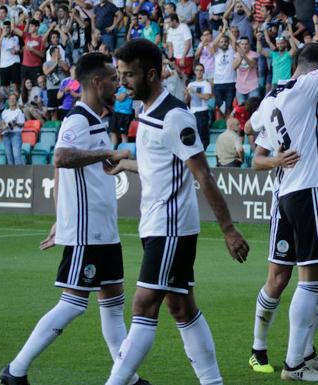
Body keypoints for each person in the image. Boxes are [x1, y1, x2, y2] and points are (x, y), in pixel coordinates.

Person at [104, 38, 249, 385]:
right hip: (157, 223)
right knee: (181, 306)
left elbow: (203, 173)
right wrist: (128, 164)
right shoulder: (148, 110)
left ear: (151, 74)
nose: (123, 82)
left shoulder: (174, 116)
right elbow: (163, 167)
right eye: (120, 74)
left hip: (169, 228)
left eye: (129, 75)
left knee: (143, 305)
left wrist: (228, 228)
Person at [0, 52, 149, 385]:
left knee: (112, 303)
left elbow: (59, 170)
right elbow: (62, 157)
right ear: (97, 82)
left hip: (103, 230)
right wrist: (107, 153)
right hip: (87, 231)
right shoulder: (77, 119)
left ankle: (129, 378)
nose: (117, 84)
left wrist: (57, 215)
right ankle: (16, 370)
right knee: (73, 304)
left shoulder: (96, 120)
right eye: (112, 79)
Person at [257, 42, 318, 382]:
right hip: (308, 189)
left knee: (317, 276)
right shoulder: (307, 85)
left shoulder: (270, 98)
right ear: (315, 71)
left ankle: (307, 354)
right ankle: (294, 364)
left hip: (285, 192)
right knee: (312, 277)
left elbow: (258, 154)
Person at [245, 76, 318, 378]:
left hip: (312, 196)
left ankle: (307, 352)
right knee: (280, 277)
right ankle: (259, 349)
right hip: (293, 195)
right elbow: (257, 159)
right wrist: (276, 160)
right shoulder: (289, 106)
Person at [210, 24, 237, 118]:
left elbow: (234, 40)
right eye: (221, 42)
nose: (224, 43)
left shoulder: (231, 50)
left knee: (229, 106)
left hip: (230, 82)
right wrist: (222, 33)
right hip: (218, 83)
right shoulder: (216, 52)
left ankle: (228, 124)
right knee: (220, 106)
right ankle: (223, 124)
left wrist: (227, 30)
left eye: (225, 41)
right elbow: (213, 44)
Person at [185, 63, 213, 149]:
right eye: (197, 70)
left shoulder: (206, 84)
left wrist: (194, 92)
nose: (199, 72)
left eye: (201, 70)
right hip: (192, 111)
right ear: (194, 72)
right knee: (193, 133)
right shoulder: (190, 84)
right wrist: (187, 94)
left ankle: (204, 151)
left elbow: (207, 97)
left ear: (203, 72)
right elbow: (187, 101)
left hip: (202, 111)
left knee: (202, 133)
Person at [43, 46, 70, 121]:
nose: (59, 53)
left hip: (61, 88)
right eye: (57, 52)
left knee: (62, 110)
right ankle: (55, 127)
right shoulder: (46, 64)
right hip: (51, 89)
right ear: (52, 54)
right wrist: (55, 63)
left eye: (59, 52)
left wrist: (60, 62)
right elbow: (46, 72)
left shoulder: (62, 62)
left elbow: (67, 69)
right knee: (53, 111)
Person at [0, 93, 25, 165]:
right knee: (9, 156)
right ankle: (12, 174)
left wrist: (15, 123)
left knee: (16, 155)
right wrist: (3, 128)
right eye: (10, 99)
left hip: (15, 134)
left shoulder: (19, 111)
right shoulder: (4, 112)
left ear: (16, 101)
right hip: (6, 134)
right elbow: (2, 124)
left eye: (14, 99)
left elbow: (22, 124)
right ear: (8, 100)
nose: (12, 100)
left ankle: (20, 173)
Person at [0, 20, 22, 91]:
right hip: (3, 64)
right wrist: (2, 36)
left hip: (15, 62)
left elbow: (22, 49)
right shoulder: (0, 38)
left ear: (11, 28)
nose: (6, 29)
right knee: (5, 87)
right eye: (4, 28)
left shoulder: (16, 37)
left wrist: (17, 52)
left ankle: (16, 99)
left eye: (7, 27)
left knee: (15, 84)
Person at [233, 36, 259, 105]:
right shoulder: (236, 55)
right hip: (240, 87)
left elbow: (252, 65)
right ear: (240, 45)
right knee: (241, 110)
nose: (244, 46)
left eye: (246, 44)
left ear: (249, 45)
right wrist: (241, 57)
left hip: (252, 87)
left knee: (253, 109)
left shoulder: (254, 54)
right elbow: (234, 67)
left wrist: (243, 55)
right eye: (242, 44)